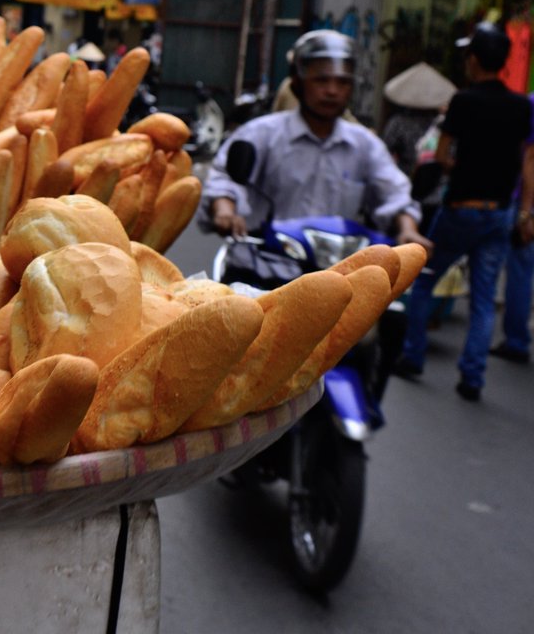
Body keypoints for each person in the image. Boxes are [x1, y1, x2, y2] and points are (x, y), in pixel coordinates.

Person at [394, 23, 534, 401]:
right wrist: (524, 212)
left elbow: (440, 156)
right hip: (500, 213)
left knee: (423, 280)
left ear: (473, 60)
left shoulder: (462, 102)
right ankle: (472, 376)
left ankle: (412, 356)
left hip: (460, 210)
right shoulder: (522, 106)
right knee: (484, 298)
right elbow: (525, 163)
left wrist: (463, 167)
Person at [202, 30, 429, 250]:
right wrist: (225, 211)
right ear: (297, 83)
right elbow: (224, 180)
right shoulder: (260, 134)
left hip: (336, 273)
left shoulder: (365, 145)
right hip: (263, 265)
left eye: (342, 82)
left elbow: (395, 192)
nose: (332, 91)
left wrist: (408, 229)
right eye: (321, 80)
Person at [491, 95, 534, 365]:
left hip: (528, 203)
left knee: (520, 272)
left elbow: (531, 157)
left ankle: (517, 341)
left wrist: (526, 213)